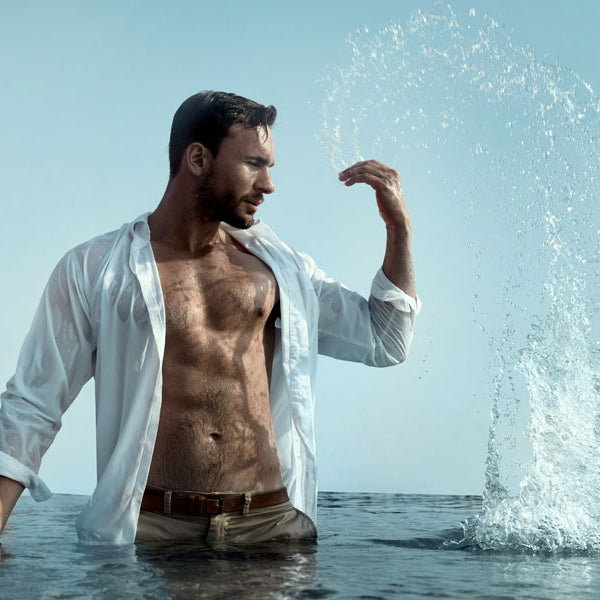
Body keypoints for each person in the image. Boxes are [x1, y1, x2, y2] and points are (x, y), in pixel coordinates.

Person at [0, 91, 420, 545]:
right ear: (198, 158)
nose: (269, 184)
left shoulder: (283, 272)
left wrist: (399, 229)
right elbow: (33, 403)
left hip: (270, 524)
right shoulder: (96, 268)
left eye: (270, 167)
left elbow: (386, 340)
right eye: (254, 164)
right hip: (152, 528)